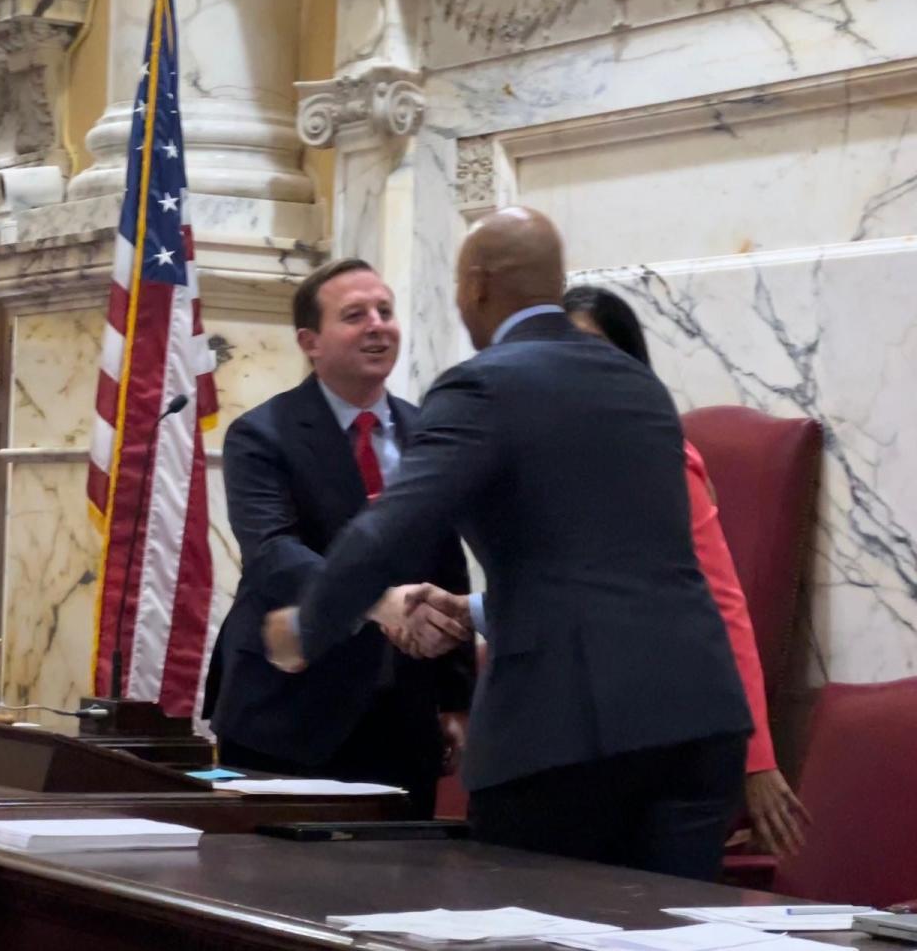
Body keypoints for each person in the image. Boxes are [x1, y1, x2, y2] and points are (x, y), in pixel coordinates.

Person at [263, 207, 753, 882]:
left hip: (566, 732)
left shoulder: (484, 384)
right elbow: (602, 562)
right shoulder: (638, 385)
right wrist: (471, 611)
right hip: (698, 725)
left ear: (478, 283)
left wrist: (307, 624)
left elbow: (389, 528)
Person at [202, 258, 475, 818]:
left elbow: (447, 564)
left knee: (397, 892)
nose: (377, 325)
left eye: (385, 311)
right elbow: (274, 555)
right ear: (311, 341)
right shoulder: (261, 434)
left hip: (402, 714)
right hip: (288, 710)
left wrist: (455, 698)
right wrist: (376, 600)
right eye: (355, 315)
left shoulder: (430, 432)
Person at [563, 284, 811, 857]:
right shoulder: (549, 457)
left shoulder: (663, 460)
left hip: (668, 741)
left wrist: (757, 759)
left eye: (597, 351)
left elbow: (723, 606)